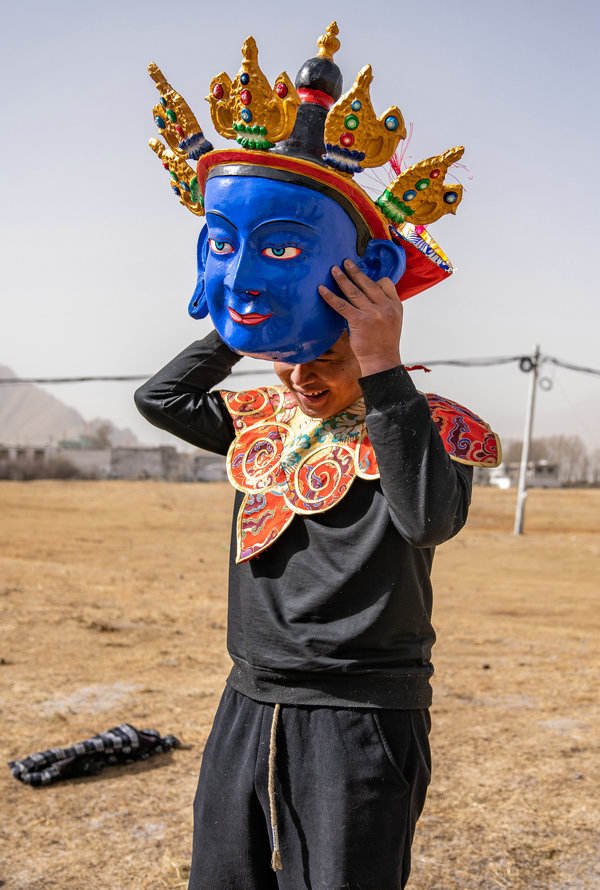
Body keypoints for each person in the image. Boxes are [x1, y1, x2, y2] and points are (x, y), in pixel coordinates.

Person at [137, 23, 500, 889]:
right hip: (248, 701)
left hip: (361, 717)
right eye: (291, 360)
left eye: (324, 358)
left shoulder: (426, 424)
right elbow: (161, 400)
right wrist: (238, 316)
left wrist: (377, 360)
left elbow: (427, 518)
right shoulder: (262, 417)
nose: (301, 376)